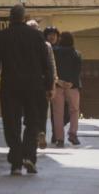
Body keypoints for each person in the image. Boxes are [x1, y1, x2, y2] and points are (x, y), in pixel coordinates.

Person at [0, 5, 54, 175]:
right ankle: (29, 156)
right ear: (24, 18)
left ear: (10, 18)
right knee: (33, 121)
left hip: (10, 85)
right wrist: (49, 86)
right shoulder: (37, 36)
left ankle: (16, 162)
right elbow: (46, 64)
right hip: (34, 86)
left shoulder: (2, 36)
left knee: (11, 123)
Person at [28, 20, 58, 150]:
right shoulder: (46, 45)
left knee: (30, 111)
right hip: (42, 83)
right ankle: (41, 132)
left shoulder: (24, 44)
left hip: (27, 84)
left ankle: (34, 135)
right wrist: (52, 84)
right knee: (42, 111)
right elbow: (51, 66)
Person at [52, 31, 83, 147]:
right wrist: (71, 82)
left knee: (58, 113)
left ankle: (60, 139)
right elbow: (78, 70)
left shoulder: (54, 52)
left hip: (58, 85)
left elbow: (52, 67)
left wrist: (59, 81)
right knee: (74, 111)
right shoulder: (77, 53)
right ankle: (73, 134)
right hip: (73, 86)